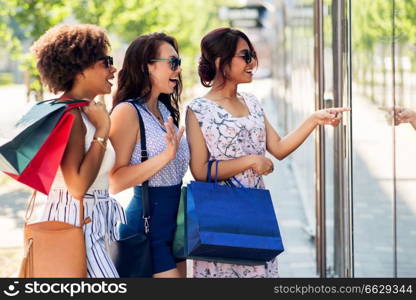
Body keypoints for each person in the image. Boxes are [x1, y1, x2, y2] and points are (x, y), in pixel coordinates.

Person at [186, 27, 350, 278]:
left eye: (252, 54)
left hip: (256, 211)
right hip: (220, 217)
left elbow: (279, 148)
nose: (253, 61)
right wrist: (250, 161)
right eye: (245, 56)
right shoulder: (197, 110)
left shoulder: (252, 101)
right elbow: (200, 171)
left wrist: (314, 120)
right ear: (220, 61)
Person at [31, 24, 125, 278]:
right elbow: (76, 186)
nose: (113, 69)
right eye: (106, 62)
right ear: (80, 69)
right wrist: (103, 129)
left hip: (93, 220)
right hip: (75, 220)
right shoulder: (71, 115)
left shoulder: (82, 111)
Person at [109, 33, 189, 278]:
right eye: (172, 63)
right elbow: (115, 180)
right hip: (146, 230)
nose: (178, 69)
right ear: (147, 66)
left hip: (173, 229)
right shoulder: (127, 111)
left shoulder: (164, 109)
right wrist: (165, 156)